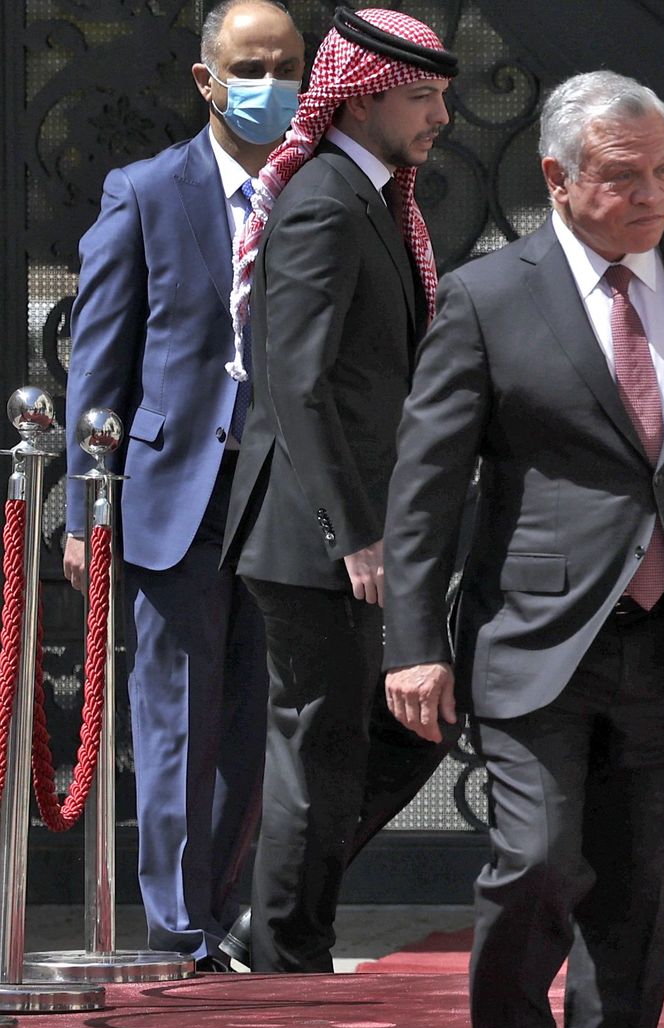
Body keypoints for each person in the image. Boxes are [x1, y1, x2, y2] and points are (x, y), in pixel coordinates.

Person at [380, 71, 664, 1028]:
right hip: (534, 638)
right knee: (537, 863)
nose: (653, 195)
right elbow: (427, 487)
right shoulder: (488, 295)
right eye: (623, 176)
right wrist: (415, 648)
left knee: (639, 892)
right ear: (558, 177)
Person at [60, 0, 303, 972]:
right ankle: (177, 927)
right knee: (174, 722)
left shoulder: (318, 192)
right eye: (252, 66)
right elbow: (99, 371)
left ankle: (229, 910)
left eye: (287, 65)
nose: (270, 85)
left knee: (253, 728)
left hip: (282, 499)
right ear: (206, 79)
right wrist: (85, 511)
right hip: (174, 496)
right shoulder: (145, 191)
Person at [221, 6, 459, 974]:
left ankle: (275, 925)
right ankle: (282, 948)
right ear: (359, 101)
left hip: (356, 533)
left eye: (442, 96)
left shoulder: (371, 195)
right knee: (321, 750)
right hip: (316, 535)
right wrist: (352, 531)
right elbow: (299, 383)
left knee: (389, 737)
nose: (440, 117)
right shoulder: (325, 199)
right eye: (420, 98)